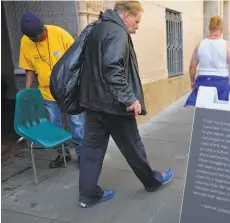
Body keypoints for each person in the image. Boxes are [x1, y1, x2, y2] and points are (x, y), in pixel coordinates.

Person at [78, 1, 174, 208]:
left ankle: (87, 195)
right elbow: (111, 67)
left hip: (93, 103)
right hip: (113, 105)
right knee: (133, 146)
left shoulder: (97, 28)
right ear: (126, 16)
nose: (137, 26)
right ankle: (152, 181)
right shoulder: (117, 32)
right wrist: (129, 98)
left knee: (91, 150)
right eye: (137, 21)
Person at [19, 12, 85, 168]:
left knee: (76, 123)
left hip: (68, 90)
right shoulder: (25, 42)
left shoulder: (59, 33)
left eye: (40, 35)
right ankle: (63, 155)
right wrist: (27, 91)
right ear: (29, 37)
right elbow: (29, 69)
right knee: (54, 125)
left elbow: (78, 56)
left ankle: (82, 154)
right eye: (35, 38)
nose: (39, 39)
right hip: (47, 92)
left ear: (43, 28)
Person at [185, 16, 230, 107]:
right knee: (221, 109)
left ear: (209, 28)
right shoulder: (225, 45)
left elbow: (192, 66)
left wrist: (192, 81)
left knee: (202, 108)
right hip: (221, 82)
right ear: (222, 28)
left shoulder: (200, 44)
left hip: (203, 81)